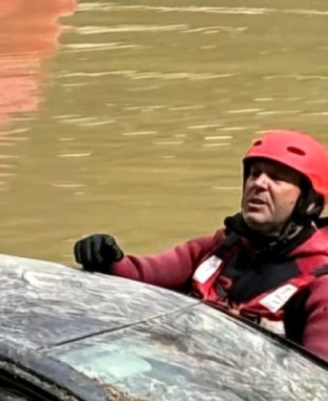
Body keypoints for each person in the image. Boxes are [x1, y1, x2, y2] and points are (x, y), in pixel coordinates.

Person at [75, 130, 328, 360]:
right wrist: (106, 258)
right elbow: (139, 275)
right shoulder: (218, 250)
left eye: (277, 178)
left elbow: (319, 383)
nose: (259, 183)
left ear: (309, 203)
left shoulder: (320, 282)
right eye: (254, 173)